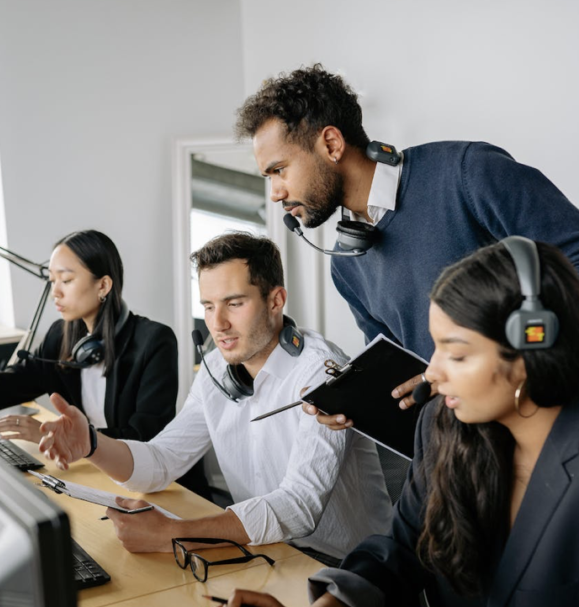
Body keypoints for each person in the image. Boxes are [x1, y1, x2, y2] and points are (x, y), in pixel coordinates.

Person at [199, 240, 579, 607]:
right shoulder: (448, 425)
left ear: (534, 347)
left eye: (457, 352)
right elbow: (403, 550)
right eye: (435, 346)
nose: (433, 371)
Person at [235, 64, 579, 416]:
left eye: (279, 170)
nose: (275, 193)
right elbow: (404, 379)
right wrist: (356, 405)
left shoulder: (467, 172)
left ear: (331, 144)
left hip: (552, 419)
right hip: (462, 450)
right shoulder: (345, 265)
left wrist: (508, 356)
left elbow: (574, 261)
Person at [38, 232, 392, 560]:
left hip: (346, 565)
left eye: (234, 303)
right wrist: (93, 445)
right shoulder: (215, 370)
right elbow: (163, 460)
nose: (217, 323)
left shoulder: (322, 373)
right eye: (208, 306)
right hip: (263, 550)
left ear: (276, 300)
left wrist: (175, 534)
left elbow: (298, 507)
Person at [0, 229, 180, 445]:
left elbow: (146, 436)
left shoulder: (155, 342)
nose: (55, 292)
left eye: (66, 280)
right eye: (52, 281)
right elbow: (12, 382)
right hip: (93, 464)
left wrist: (60, 437)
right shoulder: (60, 335)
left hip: (150, 478)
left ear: (103, 286)